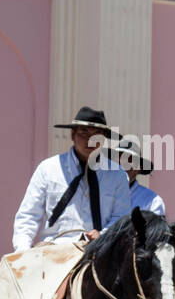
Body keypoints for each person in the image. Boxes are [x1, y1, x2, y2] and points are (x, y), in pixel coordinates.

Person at [12, 107, 132, 251]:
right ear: (72, 134)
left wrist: (102, 235)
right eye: (84, 132)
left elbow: (121, 218)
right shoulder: (48, 169)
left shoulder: (117, 175)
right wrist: (22, 251)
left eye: (97, 134)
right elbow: (28, 215)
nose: (91, 139)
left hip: (98, 252)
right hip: (53, 248)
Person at [108, 134, 166, 216]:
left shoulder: (152, 201)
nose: (124, 164)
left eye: (130, 160)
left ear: (139, 168)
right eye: (120, 159)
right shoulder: (97, 192)